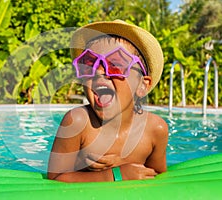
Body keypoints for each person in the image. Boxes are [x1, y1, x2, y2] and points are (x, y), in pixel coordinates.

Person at [47, 20, 168, 182]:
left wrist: (124, 164)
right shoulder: (78, 122)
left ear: (142, 86)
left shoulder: (155, 130)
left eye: (116, 65)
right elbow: (55, 177)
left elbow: (158, 175)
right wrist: (113, 175)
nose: (99, 71)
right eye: (89, 64)